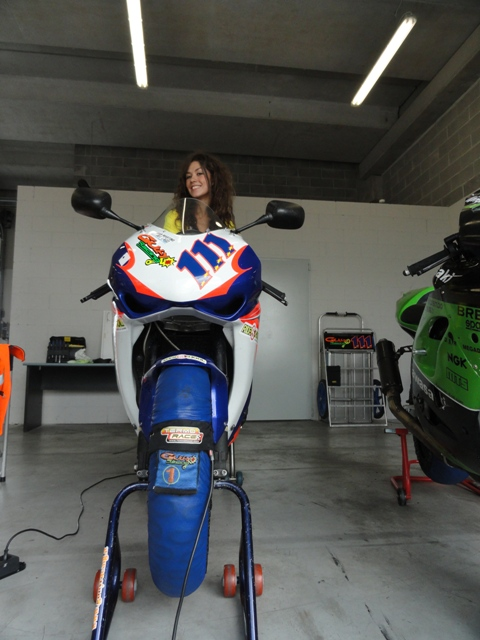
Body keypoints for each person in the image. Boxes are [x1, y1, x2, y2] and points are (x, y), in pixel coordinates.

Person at [164, 152, 236, 233]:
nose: (192, 179)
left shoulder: (226, 222)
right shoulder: (175, 217)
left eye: (199, 173)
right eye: (188, 176)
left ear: (213, 179)